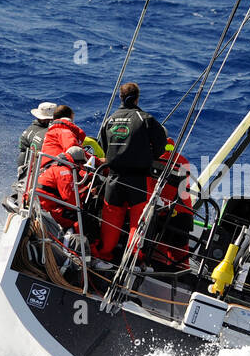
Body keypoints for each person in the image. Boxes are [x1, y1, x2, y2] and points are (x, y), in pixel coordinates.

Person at [92, 82, 168, 262]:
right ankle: (133, 258)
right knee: (138, 221)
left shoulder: (109, 120)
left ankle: (104, 255)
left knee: (110, 221)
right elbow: (161, 143)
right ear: (137, 98)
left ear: (120, 97)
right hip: (138, 179)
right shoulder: (145, 118)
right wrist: (151, 155)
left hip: (113, 177)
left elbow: (102, 146)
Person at [146, 138, 195, 269]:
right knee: (181, 258)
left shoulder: (151, 159)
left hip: (161, 217)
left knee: (158, 255)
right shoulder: (183, 161)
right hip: (184, 217)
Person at [35, 145, 90, 230]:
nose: (81, 166)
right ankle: (75, 241)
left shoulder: (54, 165)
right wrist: (86, 193)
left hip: (39, 203)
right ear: (77, 162)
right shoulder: (65, 172)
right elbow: (71, 202)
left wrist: (83, 190)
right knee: (82, 218)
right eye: (81, 163)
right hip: (48, 208)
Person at [18, 102, 57, 195]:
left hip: (24, 170)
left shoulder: (29, 130)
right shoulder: (45, 133)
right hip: (35, 170)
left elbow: (22, 151)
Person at [37, 104, 86, 175]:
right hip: (57, 171)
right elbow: (74, 151)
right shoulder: (63, 131)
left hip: (43, 170)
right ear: (71, 117)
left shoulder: (44, 132)